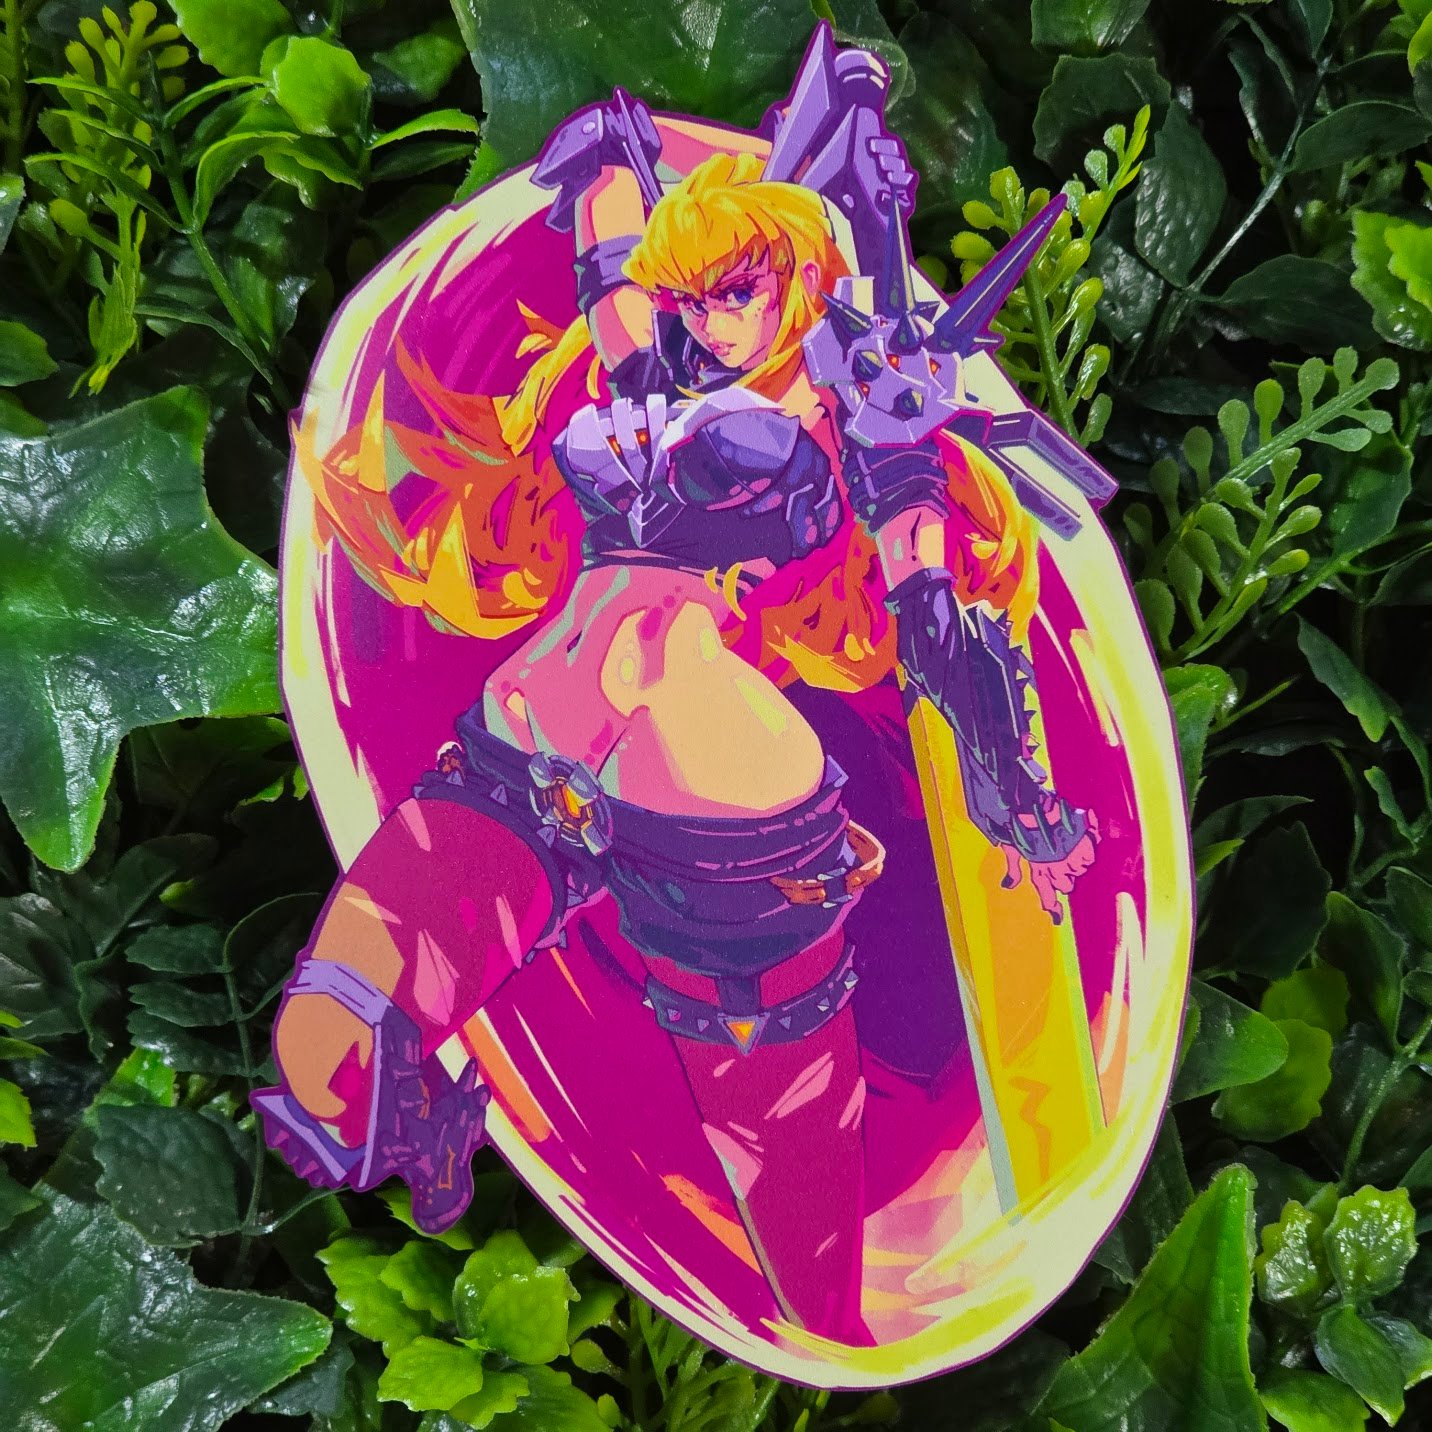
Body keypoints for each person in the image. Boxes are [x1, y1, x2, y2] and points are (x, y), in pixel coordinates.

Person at [256, 58, 1097, 1347]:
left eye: (734, 290)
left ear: (799, 276)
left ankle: (834, 1351)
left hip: (725, 821)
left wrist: (1016, 796)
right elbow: (610, 283)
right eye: (693, 293)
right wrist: (608, 162)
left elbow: (935, 619)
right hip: (528, 754)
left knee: (803, 1260)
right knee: (321, 1058)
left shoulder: (869, 423)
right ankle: (433, 1129)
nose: (708, 319)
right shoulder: (654, 374)